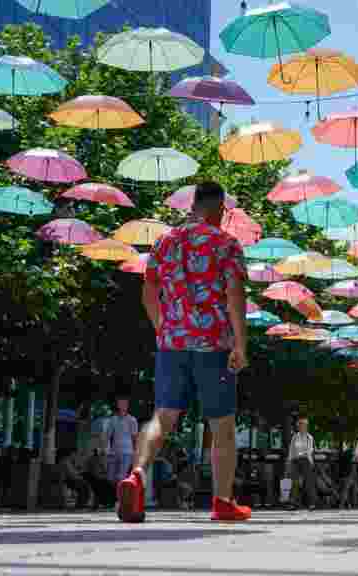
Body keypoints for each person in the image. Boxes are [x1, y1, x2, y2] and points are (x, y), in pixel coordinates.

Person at [117, 180, 251, 523]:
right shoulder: (226, 243)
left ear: (193, 206)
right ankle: (222, 502)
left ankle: (137, 475)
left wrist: (164, 328)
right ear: (220, 209)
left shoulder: (164, 242)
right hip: (213, 344)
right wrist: (240, 344)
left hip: (172, 344)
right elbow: (235, 296)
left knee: (162, 417)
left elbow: (148, 293)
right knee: (221, 425)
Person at [286, 417, 317, 510]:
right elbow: (291, 450)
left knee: (308, 483)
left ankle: (311, 503)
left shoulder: (309, 437)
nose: (302, 427)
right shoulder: (295, 437)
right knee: (294, 482)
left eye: (304, 425)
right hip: (295, 460)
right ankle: (293, 503)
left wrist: (311, 462)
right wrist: (289, 462)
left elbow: (310, 450)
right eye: (300, 425)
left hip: (305, 461)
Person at [107, 397, 138, 485]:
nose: (123, 405)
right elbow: (108, 436)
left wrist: (135, 452)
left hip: (127, 452)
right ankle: (112, 496)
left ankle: (120, 497)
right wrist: (106, 450)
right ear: (117, 405)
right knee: (110, 477)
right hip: (114, 451)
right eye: (120, 403)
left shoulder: (132, 420)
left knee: (121, 477)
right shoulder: (113, 419)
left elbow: (134, 437)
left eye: (125, 403)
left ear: (128, 406)